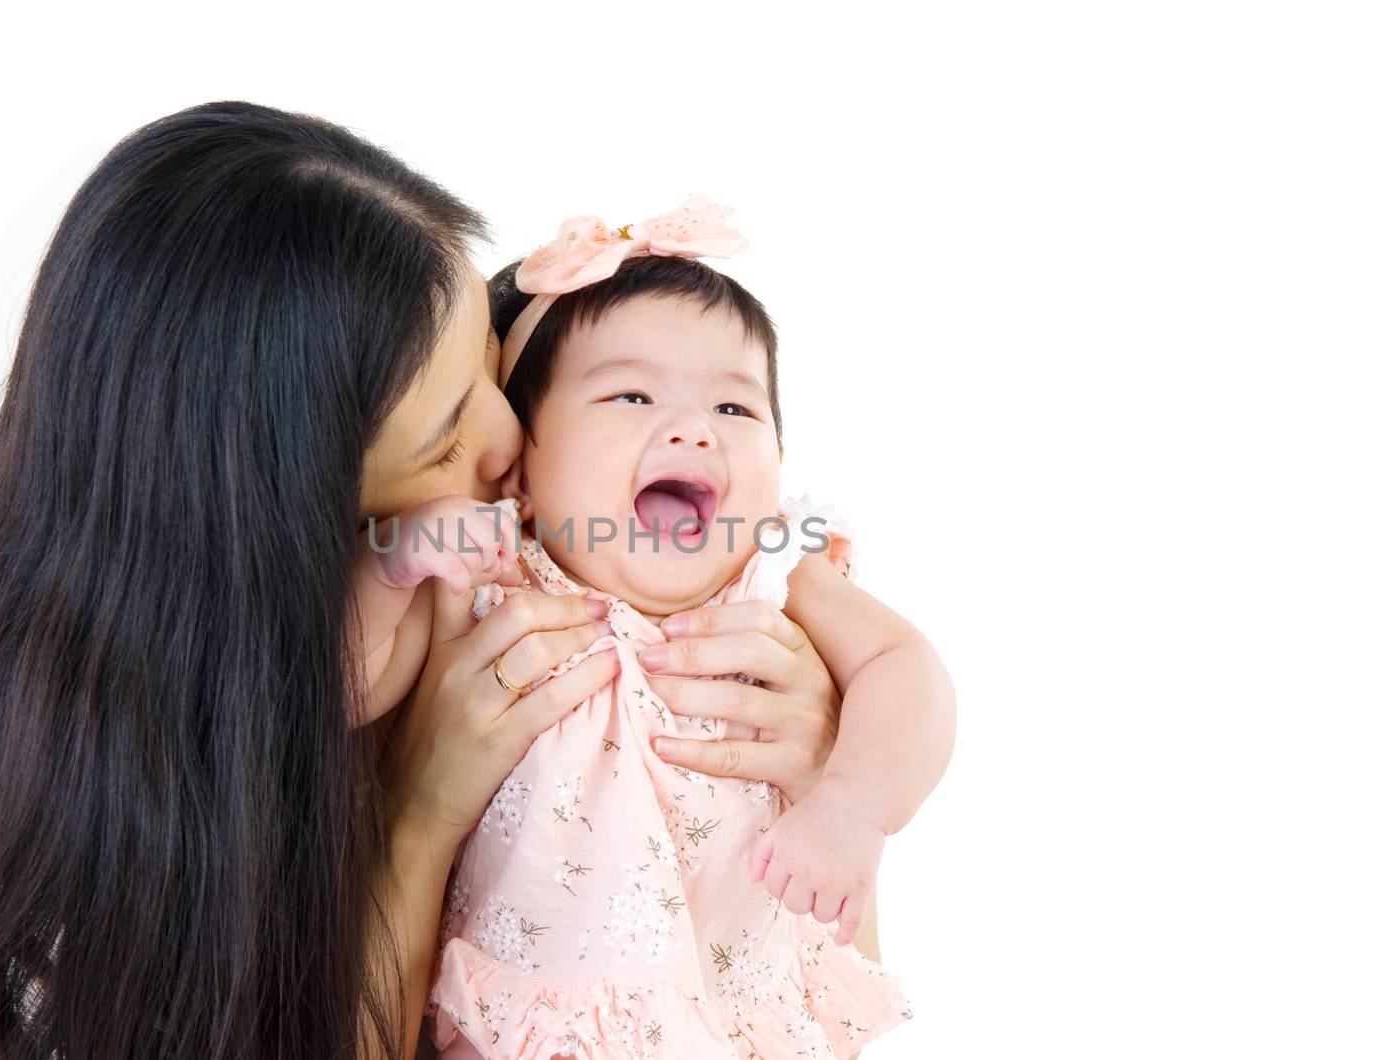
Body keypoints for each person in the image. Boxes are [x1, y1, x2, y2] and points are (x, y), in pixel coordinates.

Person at [0, 103, 857, 1060]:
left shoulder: (658, 579)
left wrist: (822, 782)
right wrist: (421, 812)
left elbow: (823, 1003)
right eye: (447, 436)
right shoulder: (251, 761)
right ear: (288, 551)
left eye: (492, 369)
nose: (510, 445)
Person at [351, 202, 955, 1057]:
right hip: (531, 1023)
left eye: (737, 409)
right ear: (521, 467)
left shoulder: (774, 571)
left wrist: (853, 804)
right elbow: (344, 685)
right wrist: (389, 570)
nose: (692, 428)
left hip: (735, 1019)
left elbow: (908, 668)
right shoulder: (489, 577)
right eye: (631, 394)